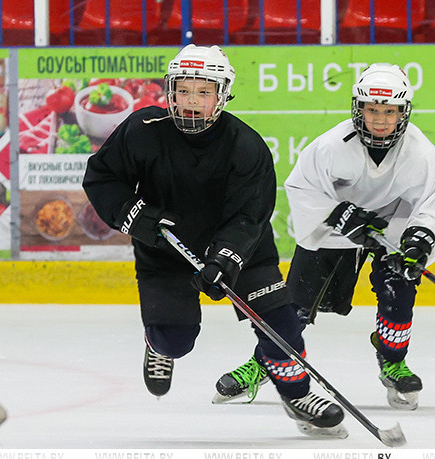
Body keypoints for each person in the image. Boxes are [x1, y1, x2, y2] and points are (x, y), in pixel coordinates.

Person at [82, 44, 347, 439]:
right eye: (184, 90)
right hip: (164, 248)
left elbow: (250, 215)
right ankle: (160, 345)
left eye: (203, 92)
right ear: (169, 91)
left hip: (242, 252)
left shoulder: (246, 145)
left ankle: (299, 395)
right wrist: (137, 216)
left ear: (221, 96)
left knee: (281, 324)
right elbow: (103, 178)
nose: (191, 101)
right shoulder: (142, 130)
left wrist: (224, 259)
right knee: (175, 339)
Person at [214, 63, 435, 411]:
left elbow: (428, 206)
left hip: (392, 226)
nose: (381, 120)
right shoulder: (329, 147)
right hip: (334, 228)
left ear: (403, 113)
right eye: (372, 110)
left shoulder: (424, 155)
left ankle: (393, 359)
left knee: (398, 289)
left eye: (389, 112)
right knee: (294, 305)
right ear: (359, 109)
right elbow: (301, 189)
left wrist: (420, 239)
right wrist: (338, 214)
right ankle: (264, 362)